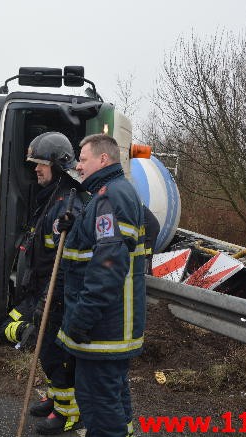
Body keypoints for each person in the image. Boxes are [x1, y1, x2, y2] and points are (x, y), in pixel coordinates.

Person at [56, 134, 157, 437]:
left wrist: (82, 318)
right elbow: (101, 248)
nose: (78, 165)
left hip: (103, 328)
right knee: (112, 402)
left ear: (103, 159)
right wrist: (76, 226)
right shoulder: (108, 194)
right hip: (108, 326)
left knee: (98, 406)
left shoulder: (111, 197)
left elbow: (108, 266)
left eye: (83, 159)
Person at [0, 131, 85, 435]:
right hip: (40, 289)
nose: (35, 169)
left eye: (40, 164)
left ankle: (68, 413)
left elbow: (64, 261)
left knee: (54, 353)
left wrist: (49, 296)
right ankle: (55, 397)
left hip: (55, 292)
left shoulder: (67, 203)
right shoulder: (50, 197)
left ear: (57, 165)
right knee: (41, 347)